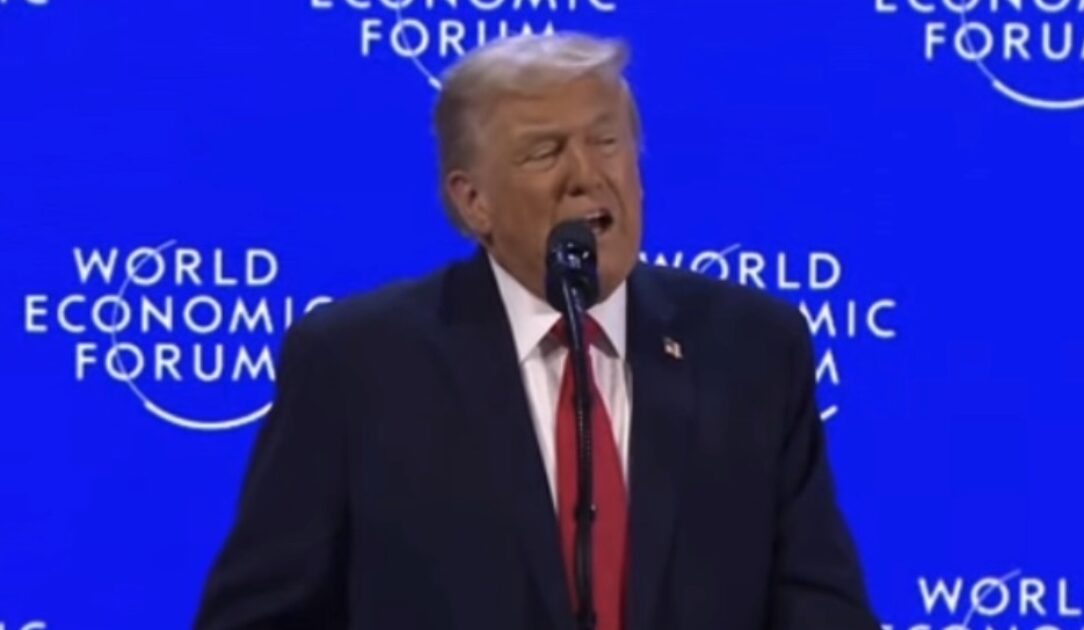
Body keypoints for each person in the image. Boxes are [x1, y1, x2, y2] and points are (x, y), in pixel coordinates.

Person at [193, 32, 880, 630]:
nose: (588, 176)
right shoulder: (357, 365)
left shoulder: (752, 348)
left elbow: (820, 608)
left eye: (607, 141)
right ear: (473, 201)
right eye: (545, 152)